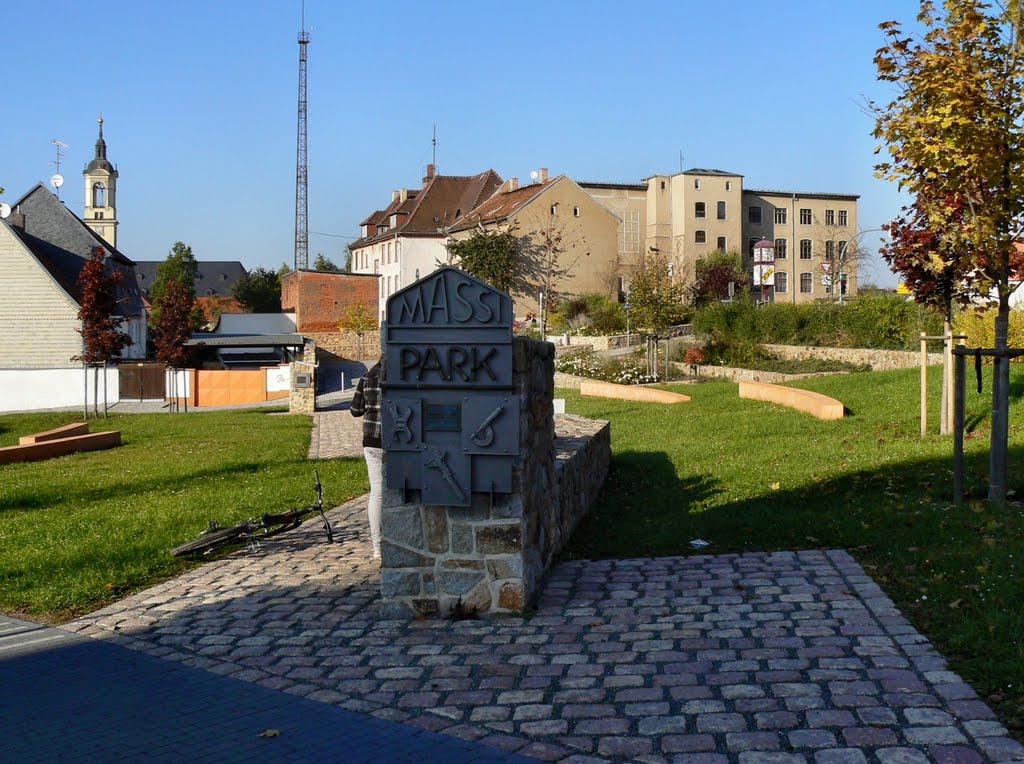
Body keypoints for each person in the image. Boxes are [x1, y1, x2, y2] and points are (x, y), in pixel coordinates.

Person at [350, 359, 382, 559]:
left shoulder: (367, 377)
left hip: (371, 440)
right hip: (397, 441)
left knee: (376, 493)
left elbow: (356, 411)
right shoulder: (401, 375)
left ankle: (377, 546)